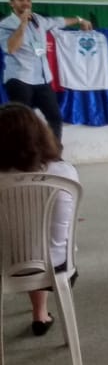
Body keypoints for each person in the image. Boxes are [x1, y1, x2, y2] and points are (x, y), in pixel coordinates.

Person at [0, 102, 79, 336]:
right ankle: (40, 315)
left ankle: (39, 313)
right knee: (39, 240)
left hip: (4, 266)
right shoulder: (65, 173)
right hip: (56, 266)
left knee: (21, 241)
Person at [0, 0, 93, 143]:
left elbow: (60, 21)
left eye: (28, 0)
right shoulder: (5, 25)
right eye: (20, 0)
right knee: (22, 123)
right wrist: (22, 24)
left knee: (55, 117)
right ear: (11, 3)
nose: (25, 4)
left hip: (43, 79)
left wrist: (80, 20)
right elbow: (11, 47)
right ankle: (25, 158)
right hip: (20, 79)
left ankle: (54, 155)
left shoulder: (38, 20)